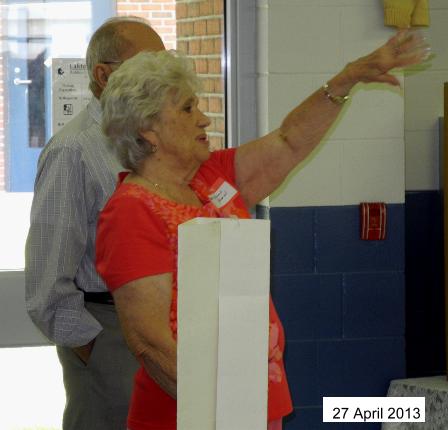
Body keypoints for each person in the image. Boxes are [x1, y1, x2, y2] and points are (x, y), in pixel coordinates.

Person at [95, 30, 429, 430]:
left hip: (253, 403)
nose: (203, 118)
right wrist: (223, 411)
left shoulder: (209, 176)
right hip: (191, 415)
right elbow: (151, 343)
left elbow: (290, 142)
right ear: (148, 129)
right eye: (186, 109)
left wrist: (349, 77)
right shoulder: (132, 210)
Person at [24, 17, 165, 430]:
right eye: (148, 66)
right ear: (104, 76)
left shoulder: (146, 140)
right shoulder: (73, 149)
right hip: (108, 330)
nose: (161, 79)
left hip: (154, 326)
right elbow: (47, 280)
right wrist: (95, 347)